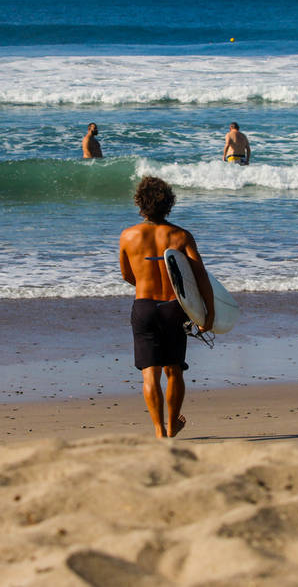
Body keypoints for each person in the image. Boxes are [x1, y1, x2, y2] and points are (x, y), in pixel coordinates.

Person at [119, 177, 214, 439]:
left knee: (150, 373)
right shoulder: (181, 236)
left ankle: (159, 431)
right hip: (174, 308)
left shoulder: (128, 236)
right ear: (169, 203)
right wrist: (209, 313)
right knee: (174, 369)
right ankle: (173, 426)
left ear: (140, 203)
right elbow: (201, 278)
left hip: (144, 307)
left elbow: (128, 275)